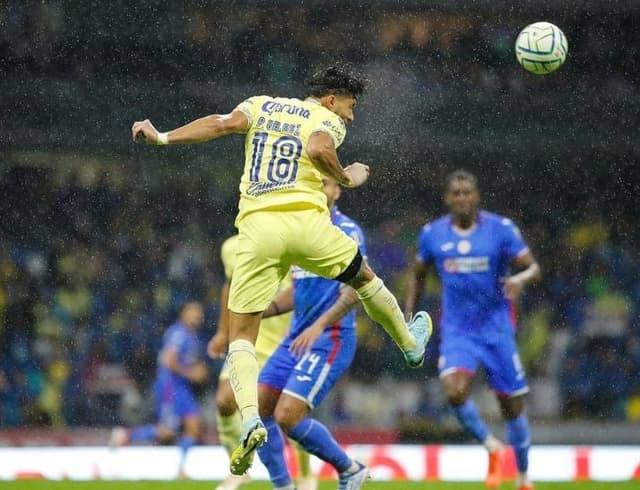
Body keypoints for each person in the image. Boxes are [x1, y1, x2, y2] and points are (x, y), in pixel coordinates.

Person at [131, 65, 432, 475]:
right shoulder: (324, 119)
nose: (351, 115)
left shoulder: (261, 105)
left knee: (241, 333)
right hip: (307, 226)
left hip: (257, 231)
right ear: (330, 99)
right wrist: (348, 176)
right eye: (350, 105)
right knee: (364, 278)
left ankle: (252, 418)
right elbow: (318, 149)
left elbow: (221, 125)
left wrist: (162, 136)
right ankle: (409, 343)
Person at [404, 170, 541, 490]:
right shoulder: (432, 234)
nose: (462, 198)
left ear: (477, 196)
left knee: (511, 406)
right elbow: (418, 273)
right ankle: (492, 445)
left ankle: (523, 475)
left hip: (496, 328)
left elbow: (532, 267)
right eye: (456, 193)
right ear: (447, 198)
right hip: (458, 330)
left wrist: (519, 280)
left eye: (467, 192)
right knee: (453, 390)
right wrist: (408, 313)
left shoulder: (500, 230)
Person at [256, 176, 368, 490]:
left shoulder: (347, 232)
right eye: (314, 185)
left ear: (337, 192)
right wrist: (262, 310)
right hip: (297, 338)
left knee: (288, 416)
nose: (319, 190)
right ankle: (283, 486)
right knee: (257, 407)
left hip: (330, 337)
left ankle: (349, 469)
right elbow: (299, 289)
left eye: (326, 185)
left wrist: (319, 325)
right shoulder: (299, 230)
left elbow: (356, 291)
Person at [209, 236, 316, 490]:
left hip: (284, 340)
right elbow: (229, 288)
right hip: (248, 338)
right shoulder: (230, 248)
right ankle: (239, 470)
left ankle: (304, 474)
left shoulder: (290, 240)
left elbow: (303, 289)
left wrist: (299, 328)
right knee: (224, 401)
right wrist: (223, 332)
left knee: (286, 412)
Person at [110, 301, 208, 478]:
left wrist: (199, 370)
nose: (198, 315)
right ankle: (126, 434)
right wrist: (191, 373)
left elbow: (190, 363)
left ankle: (181, 469)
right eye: (194, 311)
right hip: (171, 386)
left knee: (194, 426)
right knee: (167, 431)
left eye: (200, 312)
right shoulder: (178, 333)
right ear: (183, 313)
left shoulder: (193, 336)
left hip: (183, 388)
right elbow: (168, 360)